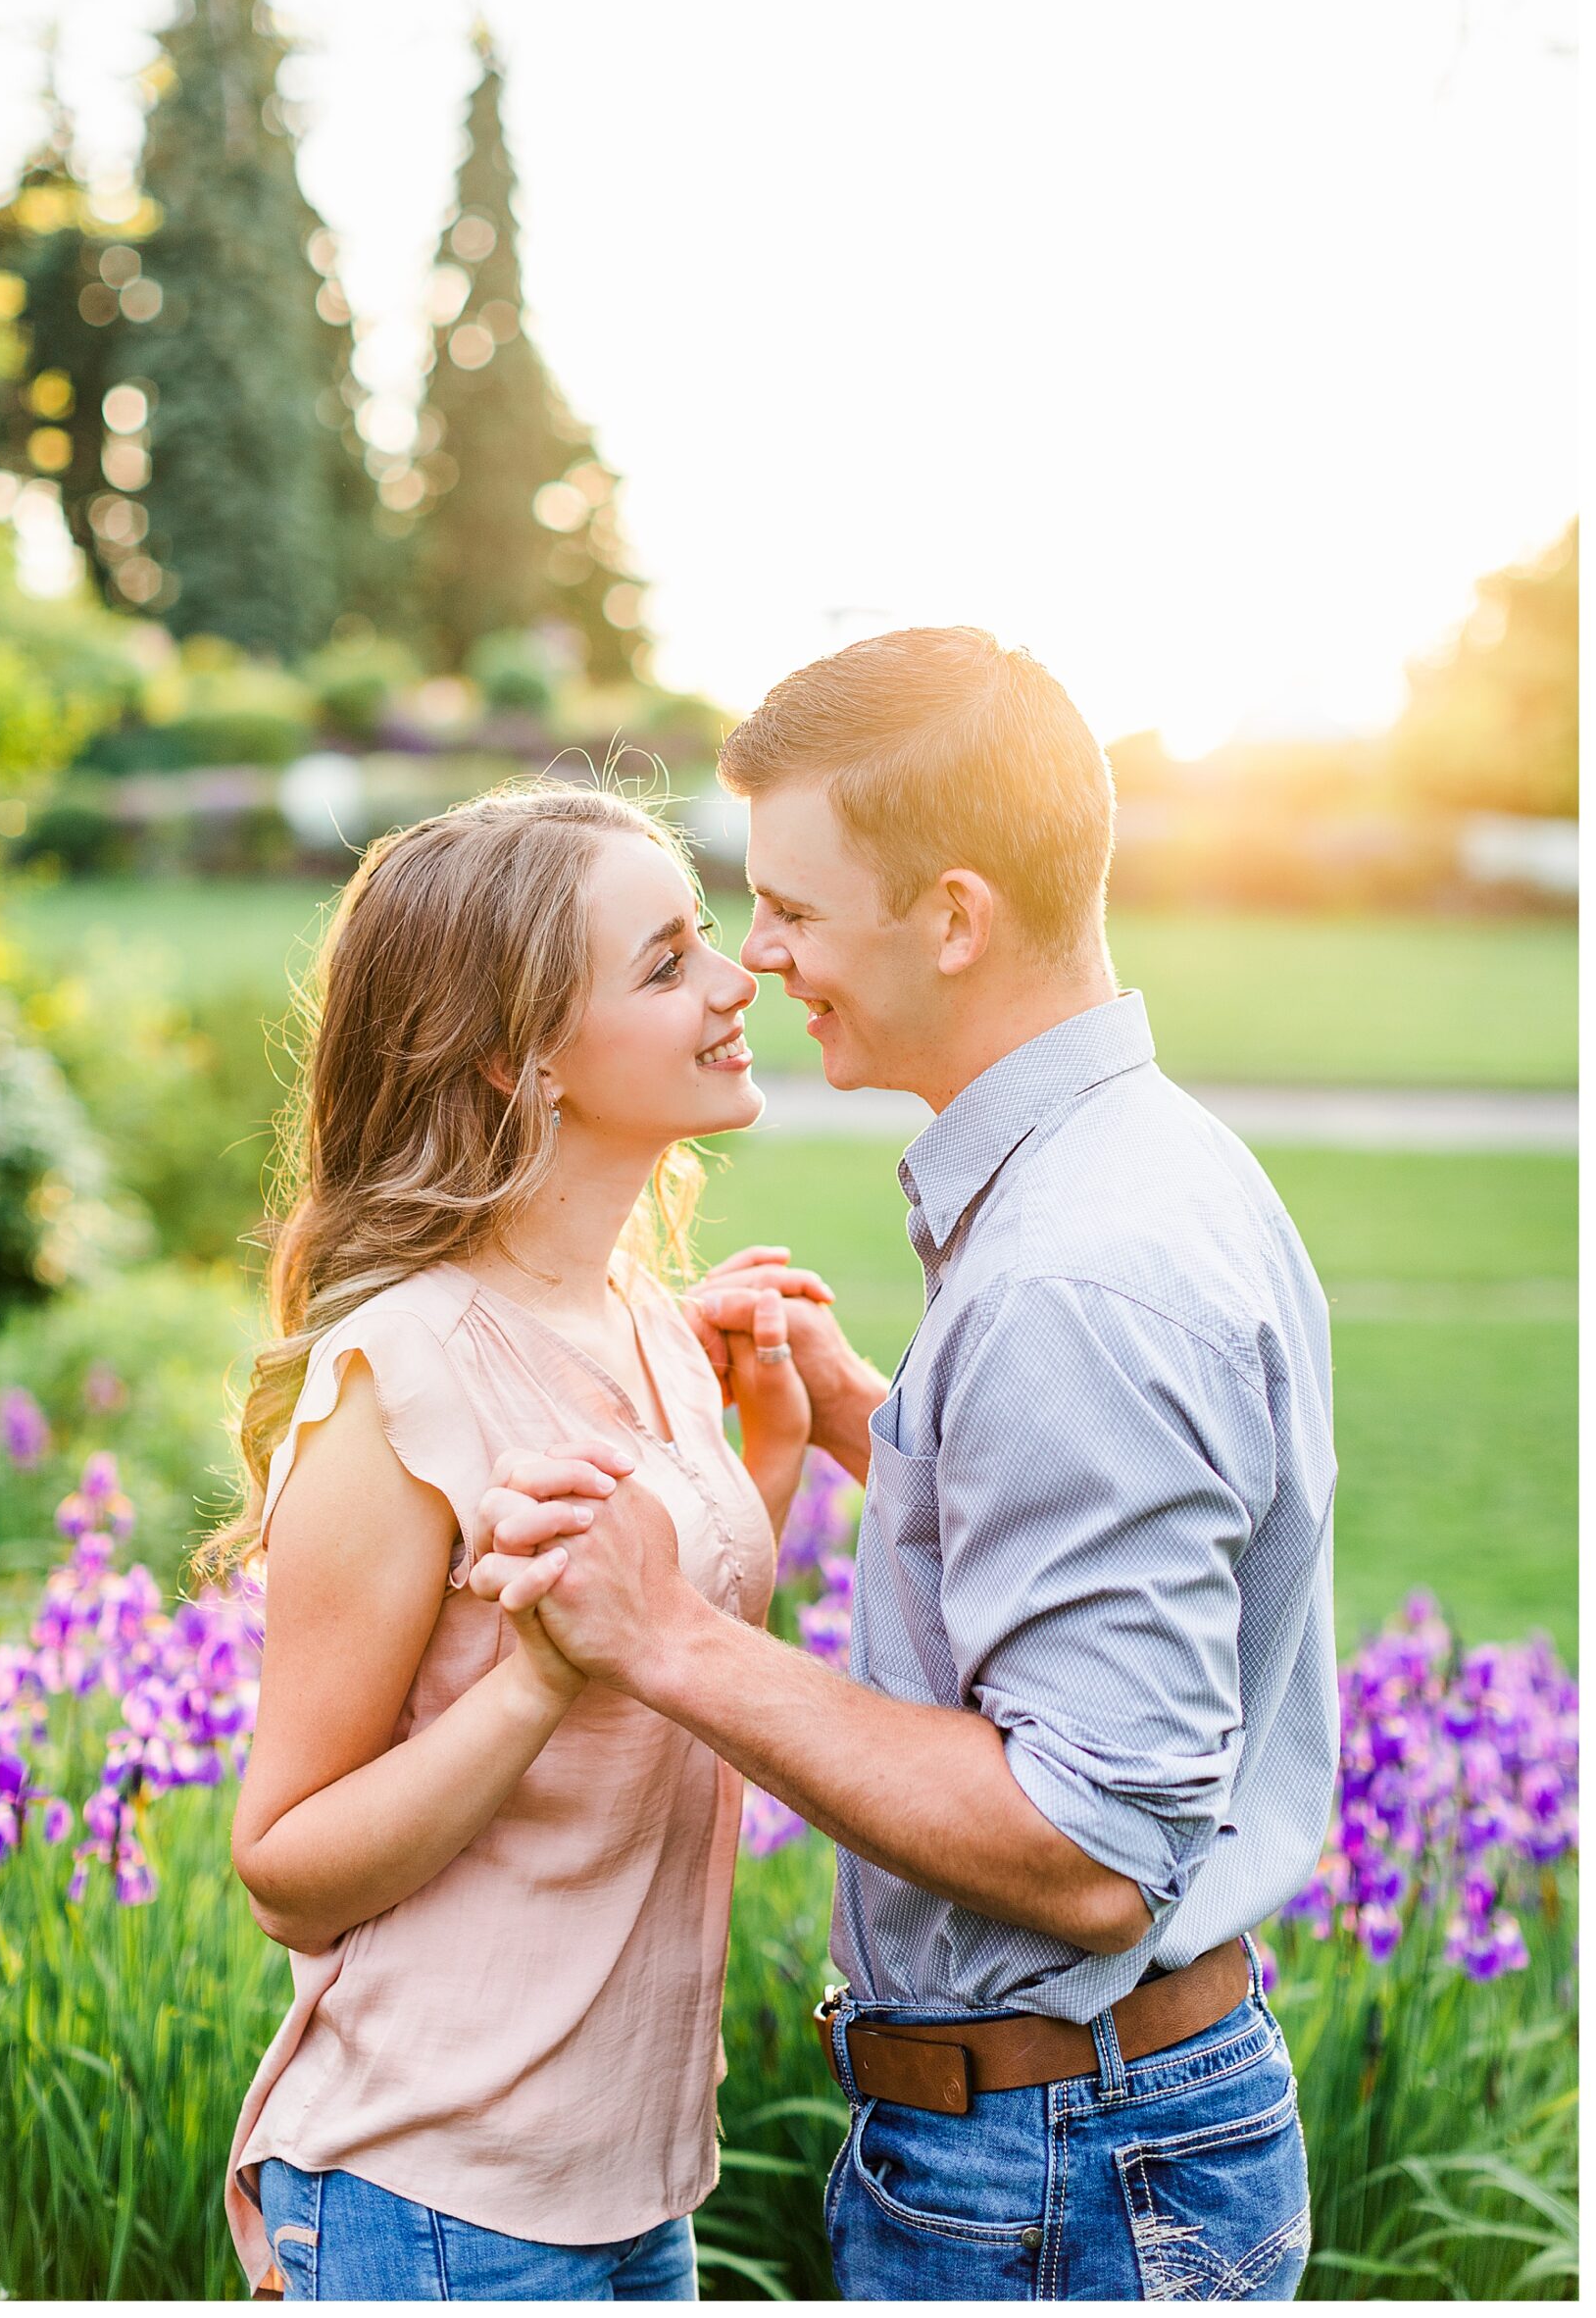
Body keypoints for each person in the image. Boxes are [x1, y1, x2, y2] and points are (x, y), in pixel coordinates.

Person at [474, 628, 1341, 2302]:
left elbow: (1089, 1852)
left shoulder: (1071, 1281)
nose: (758, 959)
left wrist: (672, 1638)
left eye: (791, 908)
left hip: (1060, 2178)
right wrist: (880, 1421)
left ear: (951, 916)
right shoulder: (1146, 1162)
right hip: (1093, 2145)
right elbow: (1095, 1533)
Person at [219, 781, 831, 2301]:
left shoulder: (644, 1317)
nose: (733, 979)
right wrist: (533, 1683)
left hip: (628, 2191)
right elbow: (286, 1868)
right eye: (665, 960)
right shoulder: (399, 1378)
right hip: (434, 2201)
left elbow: (661, 1655)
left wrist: (767, 1457)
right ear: (517, 1059)